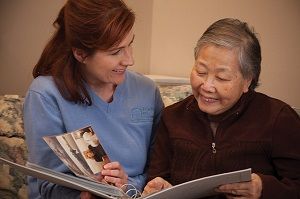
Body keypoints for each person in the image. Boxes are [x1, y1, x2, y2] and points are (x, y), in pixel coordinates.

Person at [142, 18, 300, 199]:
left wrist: (264, 188)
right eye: (201, 72)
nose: (207, 86)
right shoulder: (173, 117)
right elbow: (157, 177)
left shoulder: (278, 118)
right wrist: (159, 187)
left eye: (222, 78)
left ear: (248, 80)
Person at [23, 0, 164, 198]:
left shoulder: (146, 90)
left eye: (130, 44)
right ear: (80, 53)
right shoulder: (46, 95)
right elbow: (46, 185)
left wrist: (127, 187)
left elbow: (158, 170)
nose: (130, 60)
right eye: (115, 52)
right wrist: (90, 194)